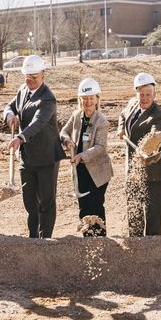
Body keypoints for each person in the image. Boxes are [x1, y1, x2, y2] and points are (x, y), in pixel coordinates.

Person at [4, 54, 66, 238]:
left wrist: (21, 137)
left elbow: (38, 123)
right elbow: (10, 106)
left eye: (34, 77)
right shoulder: (23, 90)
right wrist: (9, 115)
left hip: (47, 156)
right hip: (28, 157)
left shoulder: (48, 98)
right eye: (27, 77)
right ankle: (33, 237)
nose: (30, 81)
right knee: (29, 200)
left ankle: (45, 238)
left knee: (46, 200)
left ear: (43, 76)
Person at [118, 72, 161, 236]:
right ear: (136, 93)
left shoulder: (159, 114)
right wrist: (120, 128)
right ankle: (136, 246)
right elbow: (123, 114)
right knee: (134, 212)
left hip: (153, 172)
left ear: (154, 94)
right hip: (133, 171)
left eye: (149, 95)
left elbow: (156, 134)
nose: (145, 98)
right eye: (142, 94)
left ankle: (152, 250)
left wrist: (149, 144)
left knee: (152, 215)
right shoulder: (133, 104)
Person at [60, 77, 113, 228]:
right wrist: (67, 141)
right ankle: (87, 239)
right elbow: (64, 132)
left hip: (97, 173)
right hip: (81, 170)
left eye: (91, 98)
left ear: (97, 99)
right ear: (80, 99)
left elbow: (100, 146)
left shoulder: (101, 121)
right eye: (84, 98)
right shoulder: (76, 116)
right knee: (83, 208)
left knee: (95, 207)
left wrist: (81, 156)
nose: (88, 102)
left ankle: (99, 240)